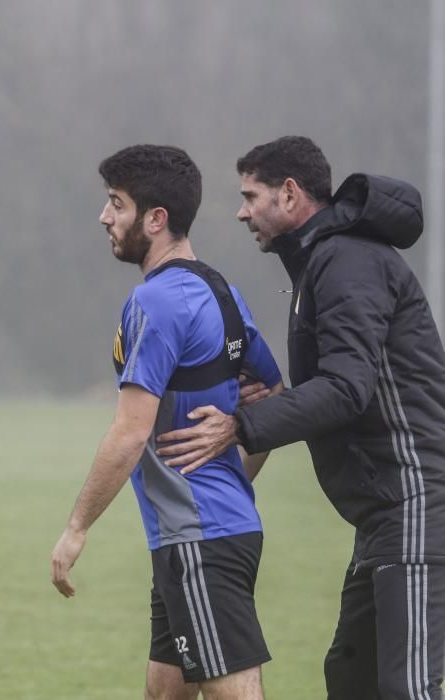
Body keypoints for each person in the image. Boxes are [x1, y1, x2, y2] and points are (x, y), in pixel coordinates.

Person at [155, 136, 445, 700]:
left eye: (250, 196)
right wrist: (274, 399)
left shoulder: (347, 260)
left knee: (405, 686)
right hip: (382, 512)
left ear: (289, 195)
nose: (241, 211)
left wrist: (239, 425)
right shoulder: (322, 261)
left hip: (416, 499)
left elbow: (347, 389)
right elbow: (343, 382)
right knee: (351, 675)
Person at [50, 144, 283, 700]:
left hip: (199, 538)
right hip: (207, 531)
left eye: (116, 204)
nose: (105, 217)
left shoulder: (154, 301)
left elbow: (130, 431)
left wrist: (76, 528)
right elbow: (271, 394)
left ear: (156, 219)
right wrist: (231, 473)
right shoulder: (221, 290)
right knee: (164, 690)